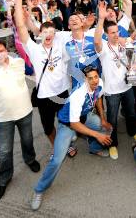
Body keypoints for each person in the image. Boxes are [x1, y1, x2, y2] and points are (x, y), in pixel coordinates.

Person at [31, 65, 112, 210]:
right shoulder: (78, 94)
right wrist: (97, 135)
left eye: (95, 77)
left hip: (84, 116)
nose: (94, 81)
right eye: (90, 78)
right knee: (57, 160)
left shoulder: (99, 83)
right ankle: (39, 190)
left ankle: (93, 148)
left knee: (101, 125)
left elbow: (98, 98)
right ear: (84, 80)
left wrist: (103, 119)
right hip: (68, 124)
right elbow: (74, 124)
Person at [0, 39, 40, 200]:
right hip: (2, 118)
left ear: (6, 49)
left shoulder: (18, 62)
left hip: (25, 111)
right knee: (4, 151)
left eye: (1, 51)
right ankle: (4, 179)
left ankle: (30, 159)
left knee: (27, 139)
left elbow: (33, 72)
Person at [13, 0, 70, 148]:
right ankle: (57, 147)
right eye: (45, 32)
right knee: (48, 127)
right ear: (40, 34)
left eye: (52, 32)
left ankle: (66, 144)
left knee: (66, 121)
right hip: (45, 96)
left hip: (63, 91)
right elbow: (20, 26)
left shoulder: (60, 44)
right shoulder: (34, 49)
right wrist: (18, 1)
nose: (49, 35)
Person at [94, 1, 136, 160]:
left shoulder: (125, 43)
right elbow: (97, 41)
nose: (115, 34)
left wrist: (135, 72)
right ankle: (112, 144)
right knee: (112, 118)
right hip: (112, 91)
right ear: (107, 34)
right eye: (112, 32)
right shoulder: (104, 48)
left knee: (131, 113)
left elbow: (133, 62)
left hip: (127, 86)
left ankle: (133, 133)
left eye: (117, 32)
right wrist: (101, 19)